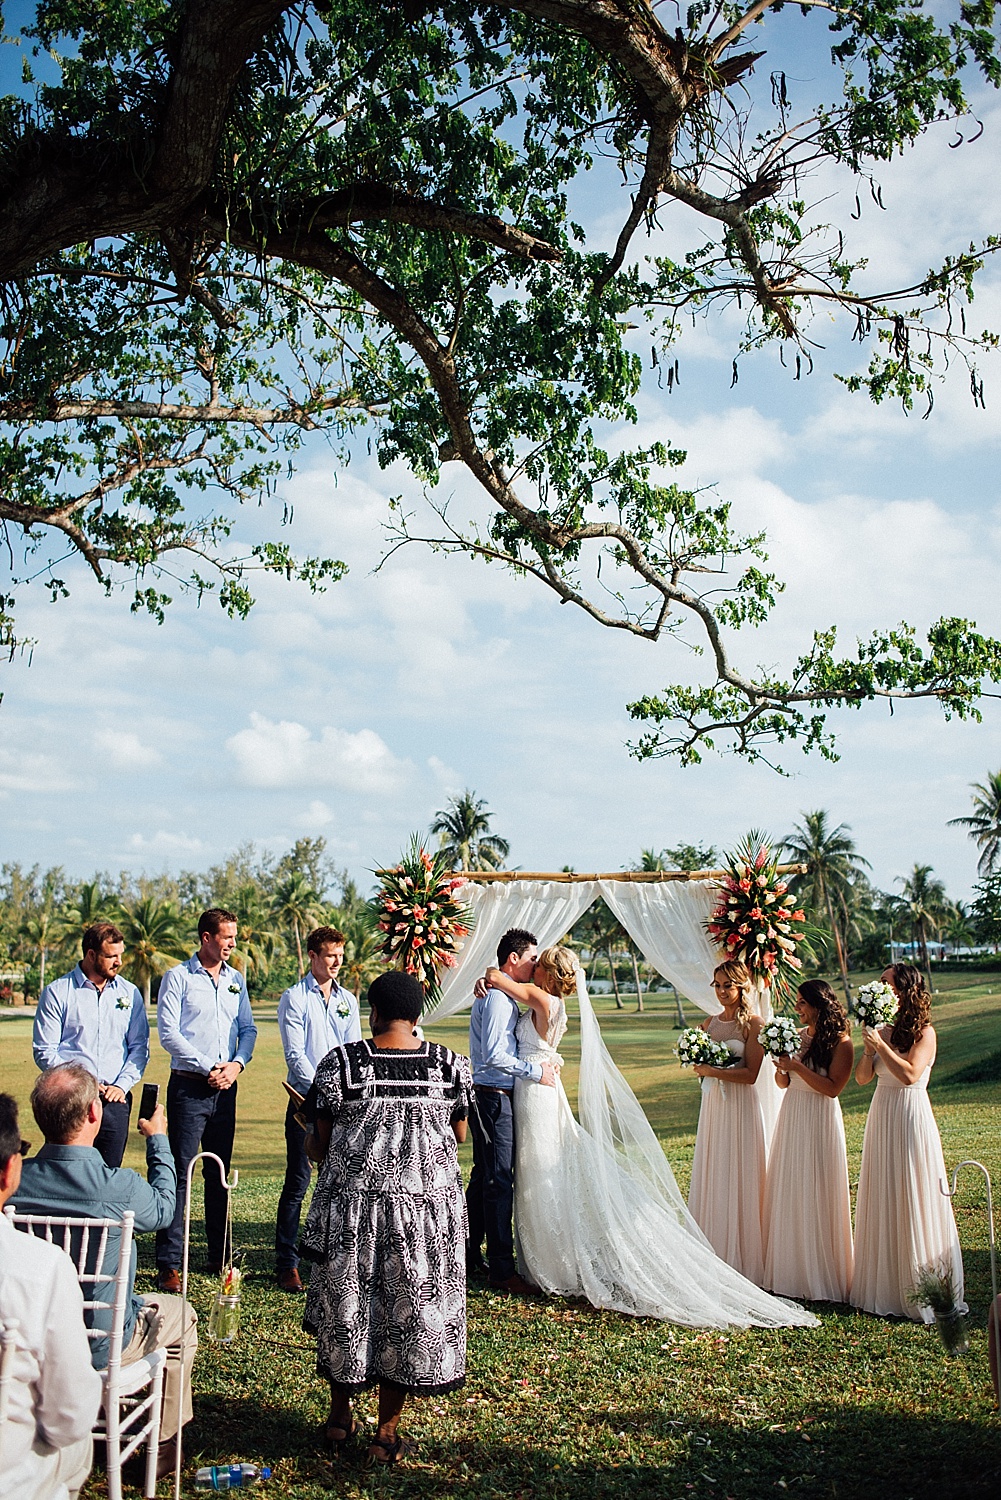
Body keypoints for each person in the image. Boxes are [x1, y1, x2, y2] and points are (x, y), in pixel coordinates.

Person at [480, 948, 816, 1329]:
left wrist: (491, 977)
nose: (533, 967)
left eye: (539, 964)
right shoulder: (548, 1001)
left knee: (539, 1172)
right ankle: (545, 1258)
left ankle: (551, 1264)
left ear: (550, 974)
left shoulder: (543, 998)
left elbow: (495, 975)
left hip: (535, 1093)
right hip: (533, 1089)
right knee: (537, 1173)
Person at [300, 970, 472, 1465]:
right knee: (407, 1316)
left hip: (356, 1213)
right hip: (424, 1215)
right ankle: (386, 1430)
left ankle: (338, 1420)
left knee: (348, 1309)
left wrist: (311, 1136)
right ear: (419, 1014)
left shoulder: (341, 1065)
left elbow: (321, 1141)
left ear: (371, 1012)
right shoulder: (449, 1066)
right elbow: (459, 1136)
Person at [13, 1065, 197, 1480]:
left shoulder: (16, 1181)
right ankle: (165, 1444)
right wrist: (159, 1140)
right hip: (99, 1345)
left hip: (31, 1335)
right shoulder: (120, 1188)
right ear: (94, 1114)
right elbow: (166, 1209)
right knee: (181, 1316)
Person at [0, 1091, 102, 1500]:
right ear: (9, 1170)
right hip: (10, 1474)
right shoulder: (38, 1267)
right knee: (78, 1445)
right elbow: (70, 1417)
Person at [851, 962, 965, 1321]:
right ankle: (885, 1284)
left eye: (886, 982)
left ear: (903, 990)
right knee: (884, 1189)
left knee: (913, 1189)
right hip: (881, 1113)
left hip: (910, 1113)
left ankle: (921, 1286)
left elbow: (910, 1074)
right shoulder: (880, 1029)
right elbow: (861, 1079)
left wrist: (881, 1046)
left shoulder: (925, 1033)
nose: (880, 986)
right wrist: (869, 1049)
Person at [155, 908, 257, 1290]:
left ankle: (220, 1254)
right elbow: (168, 1032)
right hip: (189, 1087)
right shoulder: (178, 978)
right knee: (180, 1173)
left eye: (234, 937)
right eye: (226, 937)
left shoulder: (236, 981)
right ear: (206, 938)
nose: (232, 943)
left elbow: (247, 1028)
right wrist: (207, 1066)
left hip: (226, 1088)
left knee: (218, 1171)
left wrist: (236, 1065)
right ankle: (169, 1261)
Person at [466, 927, 557, 1294]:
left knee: (486, 1176)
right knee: (498, 1179)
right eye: (532, 958)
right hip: (490, 1095)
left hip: (500, 1094)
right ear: (513, 959)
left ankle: (466, 1253)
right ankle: (502, 1269)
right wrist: (536, 1072)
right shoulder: (497, 1000)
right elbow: (493, 1055)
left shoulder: (503, 993)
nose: (535, 965)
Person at [275, 925, 361, 1292]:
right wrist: (324, 1089)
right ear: (312, 956)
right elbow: (295, 1054)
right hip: (306, 1102)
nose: (337, 962)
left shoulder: (348, 1000)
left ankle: (335, 1259)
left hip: (341, 1104)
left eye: (341, 955)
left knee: (342, 1183)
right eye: (330, 955)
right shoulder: (294, 998)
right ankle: (286, 1262)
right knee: (298, 1180)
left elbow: (353, 1048)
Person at [762, 980, 854, 1303]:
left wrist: (797, 1066)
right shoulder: (798, 1038)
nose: (798, 1008)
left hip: (820, 1118)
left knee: (817, 1187)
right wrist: (782, 1067)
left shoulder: (842, 1043)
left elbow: (832, 1088)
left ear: (818, 1004)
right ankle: (791, 1269)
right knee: (792, 1186)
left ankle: (821, 1273)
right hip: (793, 1115)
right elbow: (783, 1083)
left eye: (802, 1002)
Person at [32, 921, 149, 1168]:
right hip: (71, 1099)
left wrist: (121, 1084)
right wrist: (85, 1082)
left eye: (120, 955)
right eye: (111, 956)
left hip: (115, 1100)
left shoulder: (130, 994)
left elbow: (139, 1048)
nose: (118, 962)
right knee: (68, 1172)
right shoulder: (57, 992)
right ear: (91, 954)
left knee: (109, 1172)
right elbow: (45, 1050)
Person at [687, 960, 768, 1283]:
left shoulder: (754, 1025)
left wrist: (713, 1072)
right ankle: (714, 1245)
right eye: (717, 985)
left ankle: (743, 1253)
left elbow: (750, 1075)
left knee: (740, 1169)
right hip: (714, 1107)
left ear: (742, 987)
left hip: (740, 1106)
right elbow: (700, 1064)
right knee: (715, 1167)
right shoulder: (709, 1023)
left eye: (727, 986)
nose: (721, 992)